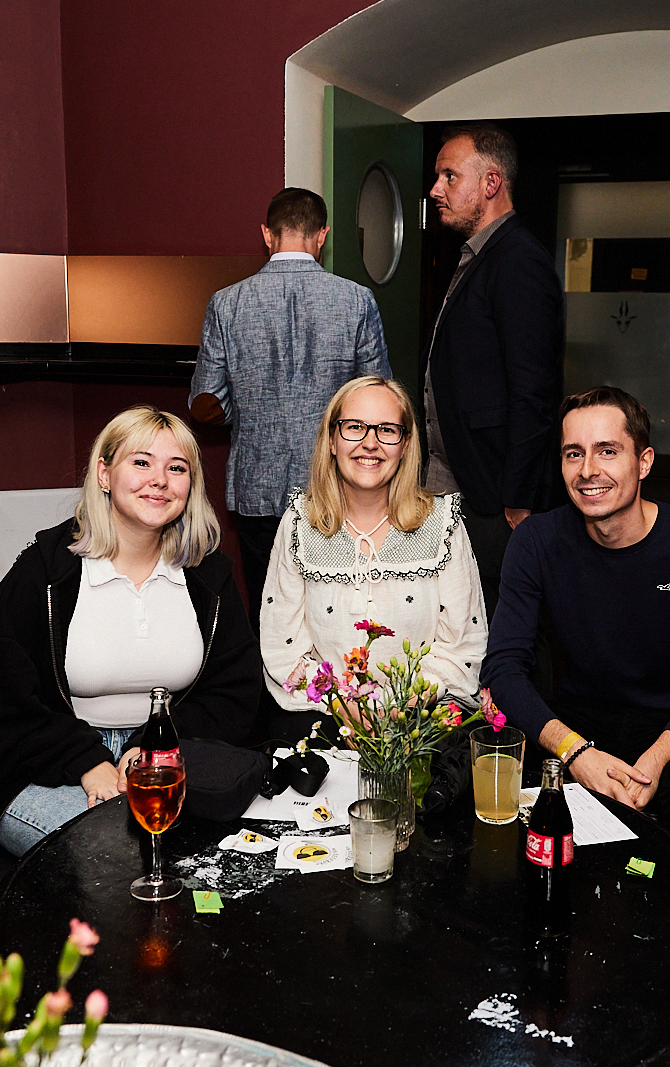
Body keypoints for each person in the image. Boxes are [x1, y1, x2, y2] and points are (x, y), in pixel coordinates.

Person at [0, 406, 261, 856]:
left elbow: (234, 693)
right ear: (104, 474)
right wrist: (86, 762)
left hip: (169, 753)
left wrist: (154, 746)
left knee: (203, 851)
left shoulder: (209, 576)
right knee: (117, 855)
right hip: (46, 767)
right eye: (141, 462)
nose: (159, 480)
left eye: (176, 468)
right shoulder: (46, 570)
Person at [482, 387, 670, 858]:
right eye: (573, 453)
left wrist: (654, 761)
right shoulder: (536, 540)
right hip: (577, 717)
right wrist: (574, 752)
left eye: (607, 451)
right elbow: (503, 668)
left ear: (643, 462)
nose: (587, 470)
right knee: (493, 783)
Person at [189, 188, 390, 634]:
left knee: (271, 612)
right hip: (338, 485)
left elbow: (206, 402)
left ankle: (273, 680)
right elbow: (379, 401)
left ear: (267, 234)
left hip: (258, 486)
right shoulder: (357, 300)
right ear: (322, 235)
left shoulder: (227, 303)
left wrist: (247, 408)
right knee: (340, 614)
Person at [261, 377, 486, 739]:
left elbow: (463, 646)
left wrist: (402, 705)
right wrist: (340, 704)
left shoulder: (443, 524)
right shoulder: (300, 523)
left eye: (387, 430)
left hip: (420, 719)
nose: (370, 442)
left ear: (406, 444)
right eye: (354, 427)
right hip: (323, 716)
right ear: (332, 440)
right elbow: (281, 645)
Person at [422, 122, 563, 615]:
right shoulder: (479, 255)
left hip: (494, 494)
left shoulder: (518, 259)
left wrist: (519, 497)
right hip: (459, 483)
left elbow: (534, 391)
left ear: (490, 183)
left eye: (449, 176)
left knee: (505, 626)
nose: (435, 189)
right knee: (457, 620)